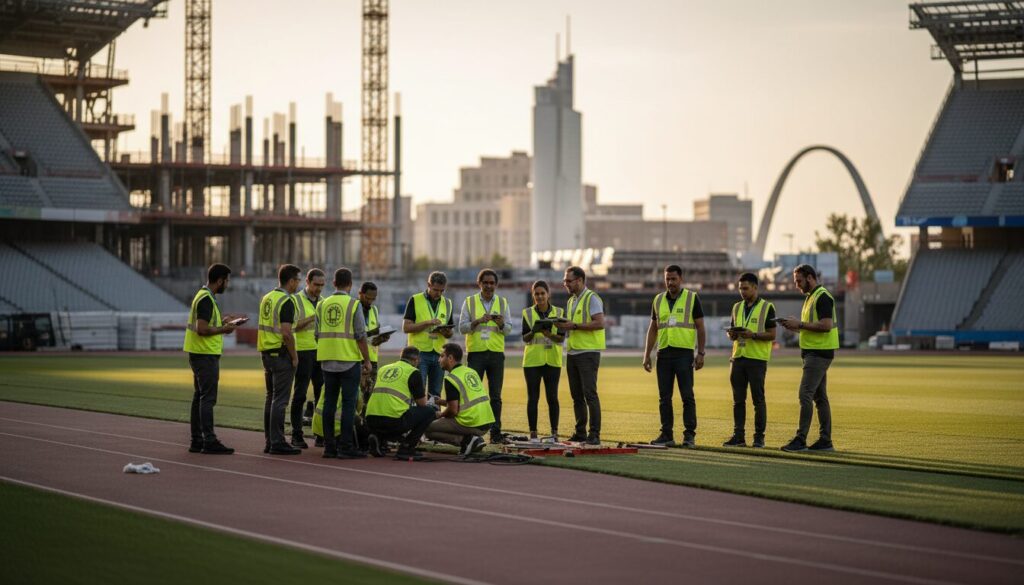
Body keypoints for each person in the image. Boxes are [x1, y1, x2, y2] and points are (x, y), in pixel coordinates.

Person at [642, 264, 706, 448]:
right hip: (663, 354)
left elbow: (701, 327)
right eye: (667, 279)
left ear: (681, 279)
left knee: (687, 396)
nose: (670, 282)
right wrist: (647, 355)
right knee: (664, 398)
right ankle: (666, 434)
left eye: (673, 279)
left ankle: (689, 435)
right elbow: (653, 329)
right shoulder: (658, 300)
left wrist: (701, 353)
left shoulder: (692, 298)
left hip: (684, 354)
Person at [778, 264, 839, 453]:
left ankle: (801, 439)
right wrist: (794, 326)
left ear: (810, 278)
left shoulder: (822, 297)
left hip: (818, 353)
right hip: (815, 351)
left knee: (805, 394)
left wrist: (800, 324)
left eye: (799, 281)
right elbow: (810, 327)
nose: (796, 285)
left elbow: (826, 326)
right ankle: (825, 441)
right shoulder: (811, 297)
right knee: (820, 398)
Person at [183, 263, 243, 454]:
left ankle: (197, 440)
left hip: (199, 352)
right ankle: (209, 440)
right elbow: (202, 329)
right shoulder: (206, 299)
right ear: (219, 281)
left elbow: (206, 324)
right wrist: (224, 329)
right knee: (208, 398)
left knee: (199, 397)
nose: (228, 284)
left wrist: (222, 322)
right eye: (227, 281)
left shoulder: (203, 296)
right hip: (205, 354)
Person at [316, 268, 373, 459]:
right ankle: (346, 446)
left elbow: (317, 334)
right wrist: (366, 360)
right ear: (350, 284)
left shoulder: (322, 304)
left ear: (333, 283)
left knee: (329, 403)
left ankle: (329, 447)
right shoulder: (353, 304)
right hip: (348, 360)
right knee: (348, 405)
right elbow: (360, 335)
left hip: (326, 360)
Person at [458, 268, 512, 444]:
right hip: (476, 354)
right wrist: (477, 321)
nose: (489, 286)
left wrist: (502, 324)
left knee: (495, 397)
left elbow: (508, 330)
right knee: (473, 395)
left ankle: (495, 434)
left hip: (496, 354)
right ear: (479, 283)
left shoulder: (503, 302)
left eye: (492, 283)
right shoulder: (469, 301)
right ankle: (472, 433)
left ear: (496, 284)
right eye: (485, 283)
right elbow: (462, 328)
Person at [724, 272, 776, 448]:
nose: (742, 292)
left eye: (745, 288)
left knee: (758, 400)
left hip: (757, 359)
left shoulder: (767, 307)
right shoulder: (736, 307)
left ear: (755, 287)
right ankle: (738, 436)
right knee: (738, 401)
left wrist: (752, 335)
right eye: (740, 289)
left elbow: (772, 335)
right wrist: (732, 335)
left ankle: (759, 438)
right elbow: (733, 331)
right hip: (738, 358)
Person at [554, 266, 605, 445]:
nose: (565, 284)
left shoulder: (592, 298)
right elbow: (572, 326)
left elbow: (600, 323)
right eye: (564, 281)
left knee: (590, 394)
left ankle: (595, 434)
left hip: (588, 352)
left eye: (569, 281)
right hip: (573, 352)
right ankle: (580, 432)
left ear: (580, 280)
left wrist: (574, 326)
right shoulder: (571, 301)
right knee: (576, 396)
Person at [365, 346, 439, 460]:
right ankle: (407, 447)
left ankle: (379, 439)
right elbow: (422, 404)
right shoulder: (413, 372)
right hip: (393, 421)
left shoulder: (383, 369)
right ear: (416, 360)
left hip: (371, 419)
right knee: (429, 412)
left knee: (395, 412)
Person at [258, 264, 302, 455]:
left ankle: (270, 441)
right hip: (281, 355)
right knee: (280, 400)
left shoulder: (267, 298)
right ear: (291, 281)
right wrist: (295, 357)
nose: (298, 284)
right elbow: (286, 333)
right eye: (297, 280)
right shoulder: (287, 301)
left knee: (271, 398)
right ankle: (277, 442)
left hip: (266, 353)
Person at [425, 343, 494, 456]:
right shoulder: (471, 371)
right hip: (486, 422)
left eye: (441, 356)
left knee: (427, 429)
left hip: (471, 422)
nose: (438, 360)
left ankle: (466, 441)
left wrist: (439, 414)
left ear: (450, 358)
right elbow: (465, 401)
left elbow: (453, 411)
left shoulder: (451, 378)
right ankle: (472, 439)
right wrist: (440, 401)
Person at [521, 280, 564, 441]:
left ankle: (554, 433)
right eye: (536, 294)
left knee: (552, 398)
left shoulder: (559, 312)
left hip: (552, 361)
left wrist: (548, 334)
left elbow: (561, 338)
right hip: (532, 362)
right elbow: (525, 338)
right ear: (533, 296)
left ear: (548, 294)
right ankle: (533, 433)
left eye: (542, 293)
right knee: (533, 398)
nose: (540, 296)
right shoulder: (527, 313)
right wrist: (534, 331)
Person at [402, 271, 454, 399]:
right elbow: (406, 327)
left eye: (442, 290)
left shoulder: (448, 303)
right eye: (436, 290)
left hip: (439, 354)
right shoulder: (415, 300)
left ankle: (434, 413)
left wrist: (447, 332)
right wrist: (427, 323)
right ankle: (418, 413)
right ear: (428, 285)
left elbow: (450, 333)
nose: (439, 293)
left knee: (436, 394)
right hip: (419, 354)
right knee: (418, 391)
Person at [289, 268, 324, 448]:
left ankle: (320, 434)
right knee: (300, 395)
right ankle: (296, 435)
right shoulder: (295, 300)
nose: (319, 288)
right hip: (303, 352)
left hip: (321, 352)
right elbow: (292, 326)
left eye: (322, 285)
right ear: (307, 282)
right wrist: (313, 317)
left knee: (321, 395)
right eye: (316, 284)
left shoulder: (324, 302)